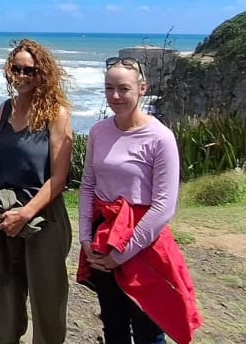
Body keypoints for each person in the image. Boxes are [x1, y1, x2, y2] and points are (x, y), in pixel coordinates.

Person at [76, 57, 202, 344]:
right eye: (109, 88)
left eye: (124, 88)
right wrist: (86, 238)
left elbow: (163, 207)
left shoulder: (160, 137)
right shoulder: (99, 131)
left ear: (142, 89)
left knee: (148, 325)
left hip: (143, 244)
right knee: (113, 323)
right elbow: (88, 186)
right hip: (103, 236)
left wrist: (119, 256)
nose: (115, 96)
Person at [0, 39, 73, 344]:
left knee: (47, 301)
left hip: (43, 217)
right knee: (2, 292)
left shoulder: (57, 114)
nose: (23, 75)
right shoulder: (5, 109)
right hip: (3, 214)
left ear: (43, 73)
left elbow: (59, 178)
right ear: (9, 71)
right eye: (17, 69)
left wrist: (25, 213)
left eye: (31, 70)